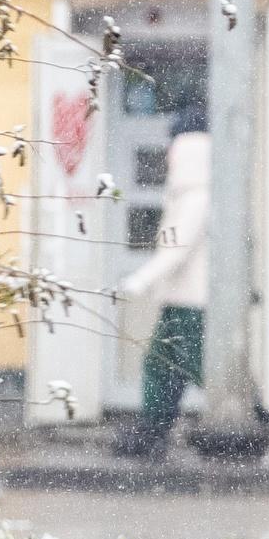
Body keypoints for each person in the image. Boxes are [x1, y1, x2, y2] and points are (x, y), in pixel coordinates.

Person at [111, 113, 208, 460]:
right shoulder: (188, 196)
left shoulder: (196, 198)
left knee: (188, 368)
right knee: (165, 368)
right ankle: (152, 431)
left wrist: (139, 280)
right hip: (182, 301)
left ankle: (252, 422)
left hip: (193, 305)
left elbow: (176, 250)